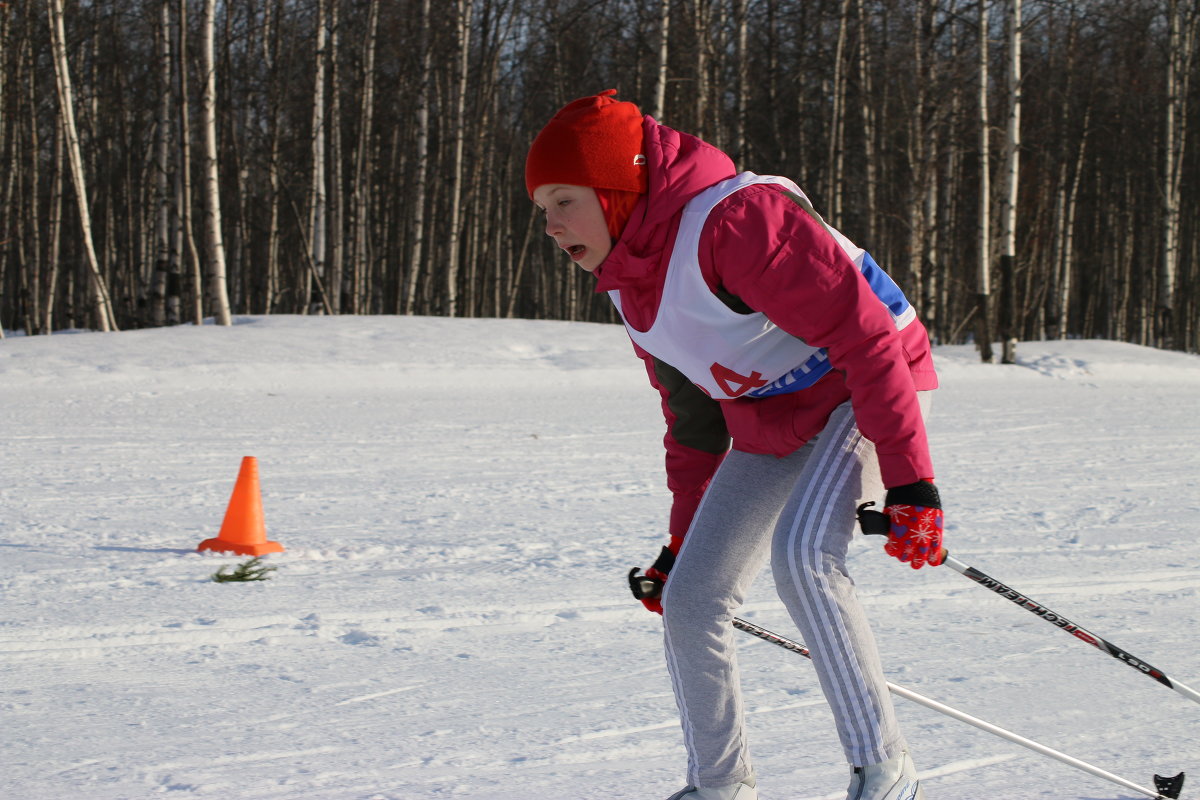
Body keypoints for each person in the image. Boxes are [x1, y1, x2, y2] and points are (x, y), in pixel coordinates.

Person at [525, 90, 944, 800]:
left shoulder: (736, 221)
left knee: (806, 556)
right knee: (692, 599)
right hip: (773, 414)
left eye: (564, 200)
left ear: (617, 187)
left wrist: (910, 483)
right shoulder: (631, 287)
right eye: (542, 210)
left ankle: (886, 771)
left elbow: (867, 336)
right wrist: (680, 547)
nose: (551, 225)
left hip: (868, 382)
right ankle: (721, 787)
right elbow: (692, 429)